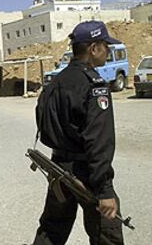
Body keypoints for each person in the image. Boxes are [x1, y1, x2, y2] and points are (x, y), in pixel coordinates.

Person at [32, 21, 124, 245]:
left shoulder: (54, 83)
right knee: (107, 232)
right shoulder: (94, 86)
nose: (108, 50)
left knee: (52, 230)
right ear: (93, 49)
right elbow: (99, 142)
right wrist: (105, 190)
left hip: (58, 168)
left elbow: (43, 124)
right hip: (87, 173)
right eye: (105, 45)